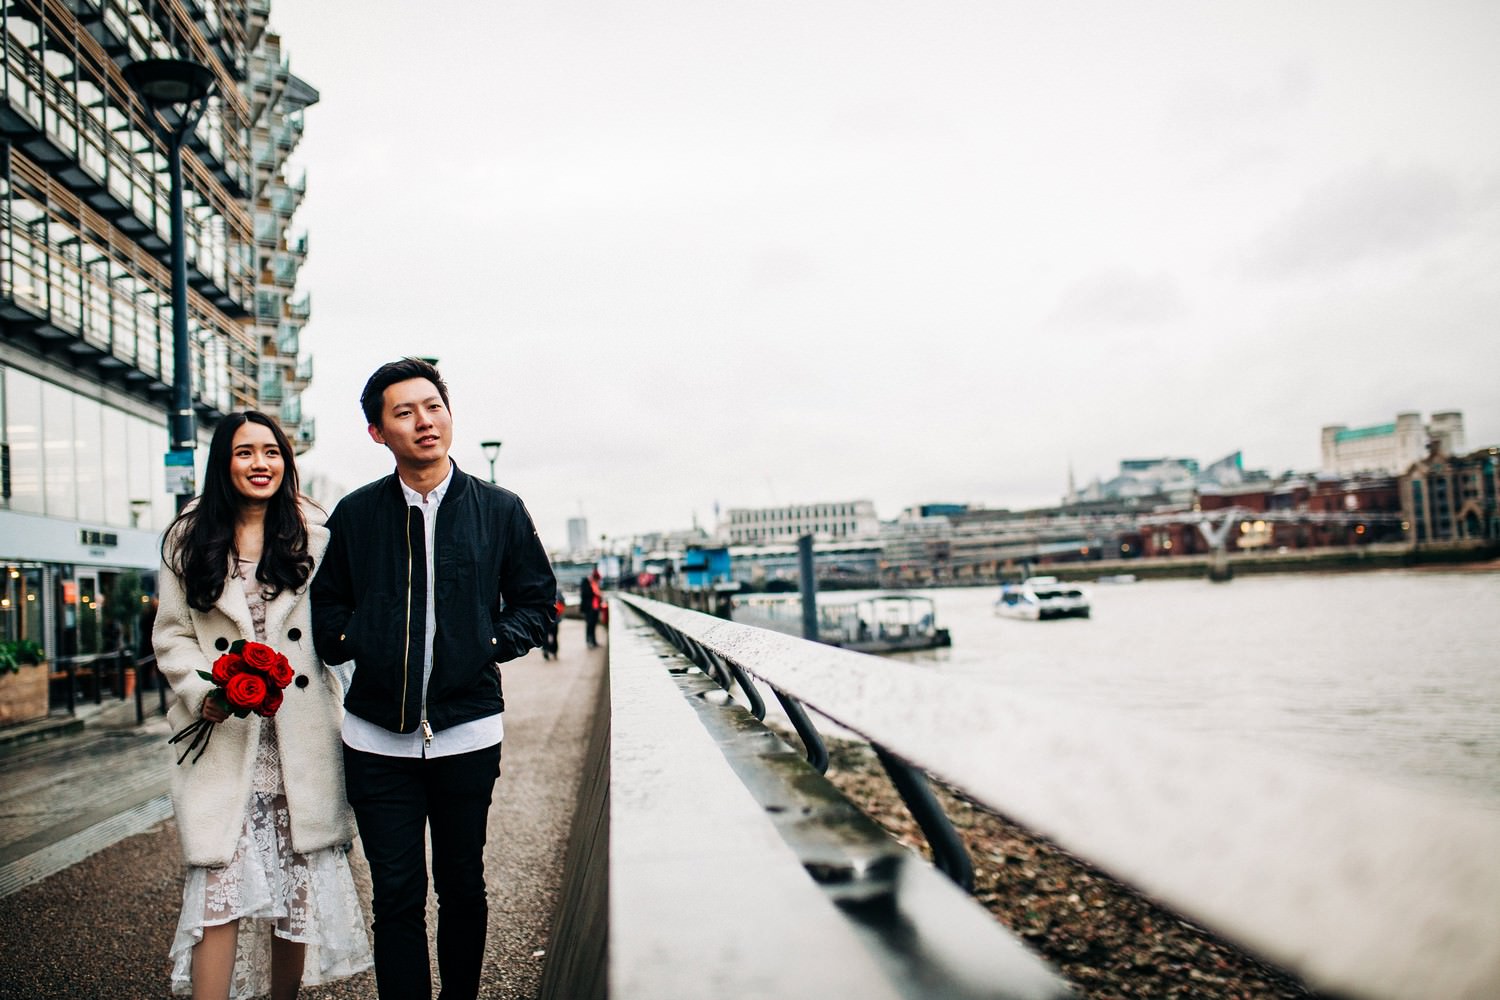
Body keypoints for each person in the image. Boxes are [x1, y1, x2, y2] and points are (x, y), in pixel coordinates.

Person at [311, 358, 556, 999]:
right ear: (377, 432)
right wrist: (360, 639)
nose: (425, 422)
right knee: (395, 894)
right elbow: (326, 603)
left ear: (449, 414)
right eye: (405, 412)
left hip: (467, 733)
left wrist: (490, 643)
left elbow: (537, 599)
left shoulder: (500, 510)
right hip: (375, 741)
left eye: (433, 406)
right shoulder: (357, 515)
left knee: (461, 884)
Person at [154, 411, 371, 1000]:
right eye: (245, 452)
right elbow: (171, 634)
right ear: (223, 462)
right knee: (217, 886)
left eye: (271, 452)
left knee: (292, 894)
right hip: (223, 736)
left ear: (286, 461)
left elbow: (339, 626)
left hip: (300, 737)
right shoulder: (188, 539)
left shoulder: (316, 537)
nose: (260, 463)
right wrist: (207, 691)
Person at [580, 568, 602, 647]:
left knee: (594, 625)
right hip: (589, 608)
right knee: (589, 624)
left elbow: (599, 595)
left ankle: (594, 641)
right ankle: (589, 641)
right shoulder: (586, 582)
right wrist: (594, 592)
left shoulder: (595, 584)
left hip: (595, 608)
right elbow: (584, 594)